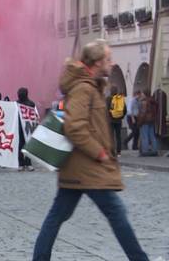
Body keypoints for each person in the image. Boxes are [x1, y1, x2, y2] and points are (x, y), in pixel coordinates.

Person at [32, 39, 148, 261]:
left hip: (77, 169)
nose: (111, 63)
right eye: (108, 59)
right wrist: (100, 153)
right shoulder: (83, 88)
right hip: (88, 168)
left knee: (57, 216)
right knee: (116, 213)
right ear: (96, 62)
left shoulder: (89, 86)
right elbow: (75, 127)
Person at [17, 87, 35, 172]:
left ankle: (28, 163)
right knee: (20, 145)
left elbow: (33, 115)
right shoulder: (16, 103)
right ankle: (21, 163)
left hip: (28, 127)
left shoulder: (31, 104)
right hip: (20, 126)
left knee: (28, 145)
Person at [107, 86, 127, 156]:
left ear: (111, 91)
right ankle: (119, 152)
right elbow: (125, 110)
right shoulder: (120, 98)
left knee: (111, 136)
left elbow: (106, 110)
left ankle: (112, 152)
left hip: (110, 121)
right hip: (119, 121)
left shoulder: (108, 99)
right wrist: (121, 116)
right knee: (118, 136)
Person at [138, 89, 159, 156]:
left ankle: (145, 151)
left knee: (145, 136)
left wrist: (139, 122)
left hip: (145, 121)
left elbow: (143, 114)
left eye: (142, 93)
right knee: (152, 136)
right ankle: (154, 150)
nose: (141, 94)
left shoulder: (144, 102)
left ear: (145, 94)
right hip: (152, 120)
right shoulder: (153, 101)